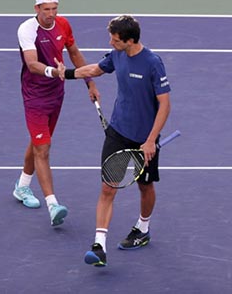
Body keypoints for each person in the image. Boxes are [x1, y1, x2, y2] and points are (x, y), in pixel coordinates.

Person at [55, 15, 171, 266]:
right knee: (108, 188)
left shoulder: (152, 63)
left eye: (115, 39)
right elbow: (96, 68)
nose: (110, 42)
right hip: (118, 132)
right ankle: (99, 246)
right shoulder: (117, 54)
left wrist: (151, 140)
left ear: (130, 40)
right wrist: (67, 74)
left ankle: (143, 227)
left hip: (145, 139)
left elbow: (164, 105)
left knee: (145, 186)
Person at [13, 0, 99, 226]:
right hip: (34, 97)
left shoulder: (63, 25)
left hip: (56, 95)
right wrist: (54, 72)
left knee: (39, 140)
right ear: (36, 9)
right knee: (44, 148)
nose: (51, 14)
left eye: (54, 9)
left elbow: (73, 53)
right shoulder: (27, 29)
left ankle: (21, 187)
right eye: (46, 10)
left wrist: (89, 82)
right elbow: (31, 64)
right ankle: (53, 204)